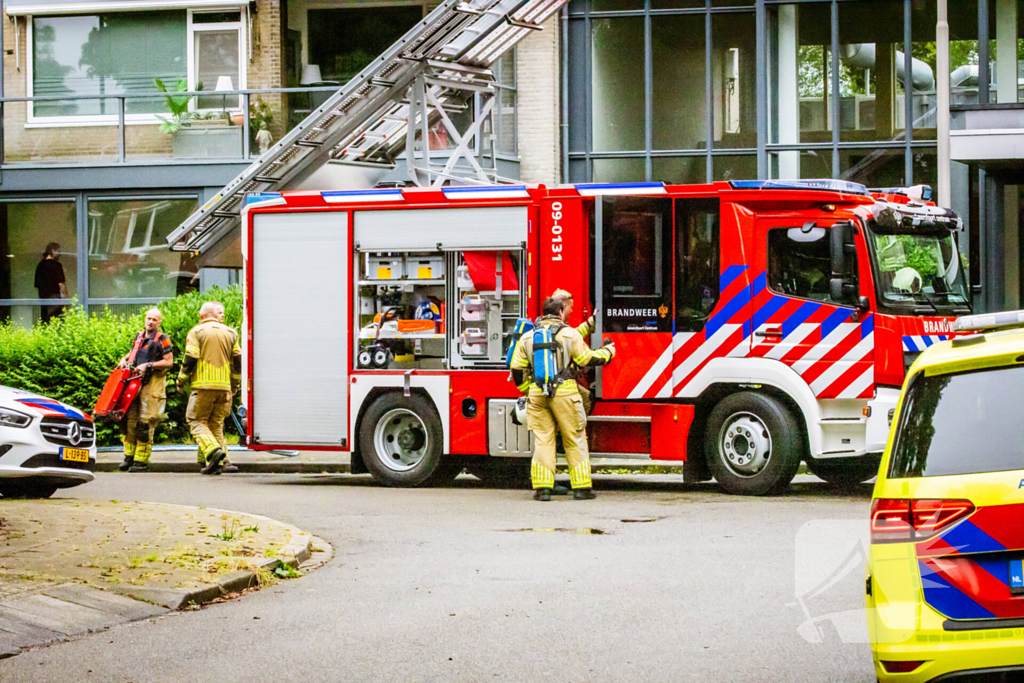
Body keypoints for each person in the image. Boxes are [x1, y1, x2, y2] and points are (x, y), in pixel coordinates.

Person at [511, 297, 615, 501]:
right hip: (565, 393)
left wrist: (527, 390)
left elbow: (516, 370)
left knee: (543, 440)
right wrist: (608, 352)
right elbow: (587, 359)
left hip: (537, 394)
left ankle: (543, 489)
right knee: (574, 438)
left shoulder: (528, 337)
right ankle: (581, 488)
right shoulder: (570, 334)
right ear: (560, 312)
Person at [176, 301, 241, 475]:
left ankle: (212, 451)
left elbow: (191, 357)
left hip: (203, 386)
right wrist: (235, 385)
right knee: (215, 424)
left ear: (201, 316)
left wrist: (181, 379)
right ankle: (218, 463)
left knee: (196, 421)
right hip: (225, 388)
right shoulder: (231, 333)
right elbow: (238, 362)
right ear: (215, 314)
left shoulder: (197, 331)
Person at [117, 308, 173, 473]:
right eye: (149, 318)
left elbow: (169, 362)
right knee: (128, 421)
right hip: (133, 383)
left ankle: (141, 460)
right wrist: (124, 359)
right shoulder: (139, 336)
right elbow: (133, 352)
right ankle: (129, 457)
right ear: (145, 319)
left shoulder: (163, 339)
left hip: (152, 384)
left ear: (159, 322)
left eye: (154, 320)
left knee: (145, 423)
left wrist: (148, 365)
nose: (151, 322)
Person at [550, 288, 596, 415]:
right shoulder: (562, 329)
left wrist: (589, 324)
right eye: (570, 307)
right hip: (560, 385)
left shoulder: (546, 327)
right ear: (563, 307)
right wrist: (607, 353)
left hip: (544, 385)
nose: (572, 310)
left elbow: (572, 335)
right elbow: (583, 358)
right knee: (587, 399)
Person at [34, 242, 67, 323]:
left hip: (43, 299)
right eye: (58, 251)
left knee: (45, 322)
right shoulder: (56, 265)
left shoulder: (40, 265)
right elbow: (61, 284)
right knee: (57, 322)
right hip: (55, 298)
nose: (59, 254)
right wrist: (66, 299)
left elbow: (37, 285)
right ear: (53, 251)